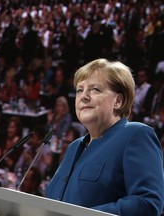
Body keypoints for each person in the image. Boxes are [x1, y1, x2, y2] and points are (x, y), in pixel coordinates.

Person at [46, 59, 164, 216]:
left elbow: (148, 203)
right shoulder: (74, 147)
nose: (84, 97)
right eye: (80, 90)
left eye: (95, 89)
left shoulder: (135, 135)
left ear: (118, 101)